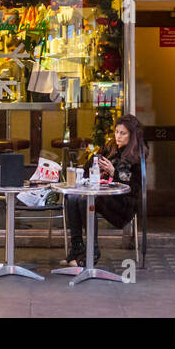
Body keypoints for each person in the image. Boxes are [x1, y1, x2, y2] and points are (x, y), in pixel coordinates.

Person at [63, 114, 145, 267]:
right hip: (102, 194)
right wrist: (95, 163)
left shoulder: (136, 156)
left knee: (84, 199)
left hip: (123, 203)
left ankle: (92, 252)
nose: (118, 136)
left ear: (132, 135)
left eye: (123, 133)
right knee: (73, 197)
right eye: (117, 132)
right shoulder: (111, 147)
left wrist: (114, 173)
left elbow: (133, 188)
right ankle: (77, 249)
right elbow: (88, 169)